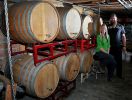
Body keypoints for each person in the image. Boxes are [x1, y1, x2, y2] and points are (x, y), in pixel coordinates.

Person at [108, 13, 126, 79]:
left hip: (118, 47)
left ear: (116, 19)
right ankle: (110, 74)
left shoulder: (121, 26)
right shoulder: (108, 26)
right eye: (112, 18)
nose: (113, 19)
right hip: (110, 47)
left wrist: (124, 46)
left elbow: (123, 37)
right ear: (110, 19)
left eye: (114, 18)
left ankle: (119, 74)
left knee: (119, 62)